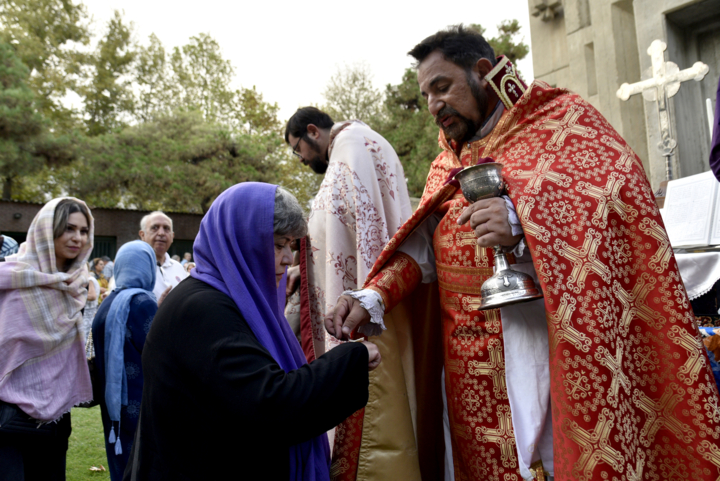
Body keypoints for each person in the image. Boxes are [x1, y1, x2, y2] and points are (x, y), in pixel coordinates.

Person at [328, 25, 720, 481]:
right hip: (466, 365)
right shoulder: (447, 163)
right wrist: (371, 296)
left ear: (482, 72)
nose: (434, 105)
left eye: (443, 87)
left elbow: (610, 199)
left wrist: (521, 221)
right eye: (426, 95)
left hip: (545, 347)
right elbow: (419, 255)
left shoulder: (561, 122)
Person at [124, 183, 377, 481]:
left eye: (291, 246)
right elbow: (272, 404)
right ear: (241, 241)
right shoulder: (204, 309)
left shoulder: (225, 300)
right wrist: (352, 357)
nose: (288, 259)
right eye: (278, 244)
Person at [284, 107, 418, 476]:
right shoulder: (356, 144)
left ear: (313, 131)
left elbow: (363, 231)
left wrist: (367, 290)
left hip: (364, 297)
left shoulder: (353, 147)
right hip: (367, 290)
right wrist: (302, 265)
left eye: (299, 149)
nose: (301, 159)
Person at [0, 198, 94, 481]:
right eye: (68, 228)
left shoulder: (77, 285)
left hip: (56, 420)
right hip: (7, 421)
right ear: (46, 230)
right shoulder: (11, 279)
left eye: (83, 230)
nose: (77, 237)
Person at [92, 241, 159, 481]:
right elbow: (159, 354)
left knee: (121, 465)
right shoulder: (143, 303)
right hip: (142, 404)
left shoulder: (108, 303)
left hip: (113, 403)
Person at [138, 211, 188, 299]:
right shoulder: (133, 268)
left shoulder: (178, 268)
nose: (161, 233)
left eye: (166, 228)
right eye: (154, 228)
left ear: (172, 236)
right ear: (142, 235)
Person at [82, 274, 101, 341]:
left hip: (89, 313)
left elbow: (92, 296)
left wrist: (78, 294)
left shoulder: (90, 280)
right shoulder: (92, 279)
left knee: (87, 336)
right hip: (91, 311)